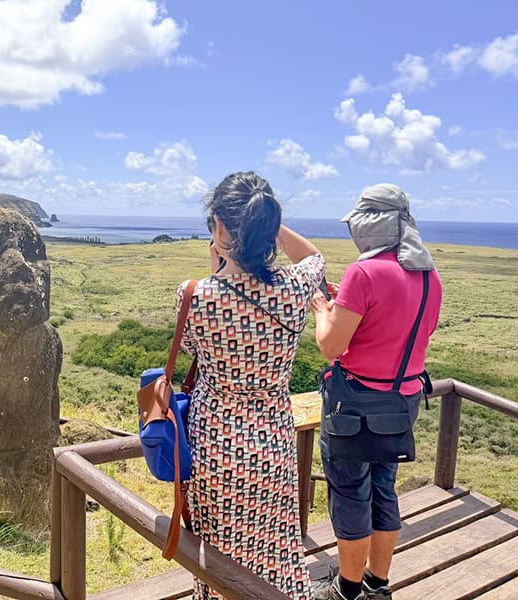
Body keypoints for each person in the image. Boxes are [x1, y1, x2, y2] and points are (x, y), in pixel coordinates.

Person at [177, 171, 325, 600]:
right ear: (268, 227)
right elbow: (314, 257)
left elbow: (191, 348)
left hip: (216, 442)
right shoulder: (295, 289)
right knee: (274, 545)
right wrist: (267, 223)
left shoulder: (195, 295)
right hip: (274, 440)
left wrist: (215, 267)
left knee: (216, 550)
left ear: (219, 228)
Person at [310, 184, 443, 600]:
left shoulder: (363, 272)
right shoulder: (429, 274)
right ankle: (377, 584)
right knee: (383, 487)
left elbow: (331, 347)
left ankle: (346, 591)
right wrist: (349, 307)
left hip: (354, 406)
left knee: (350, 493)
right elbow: (413, 331)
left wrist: (321, 310)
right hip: (401, 402)